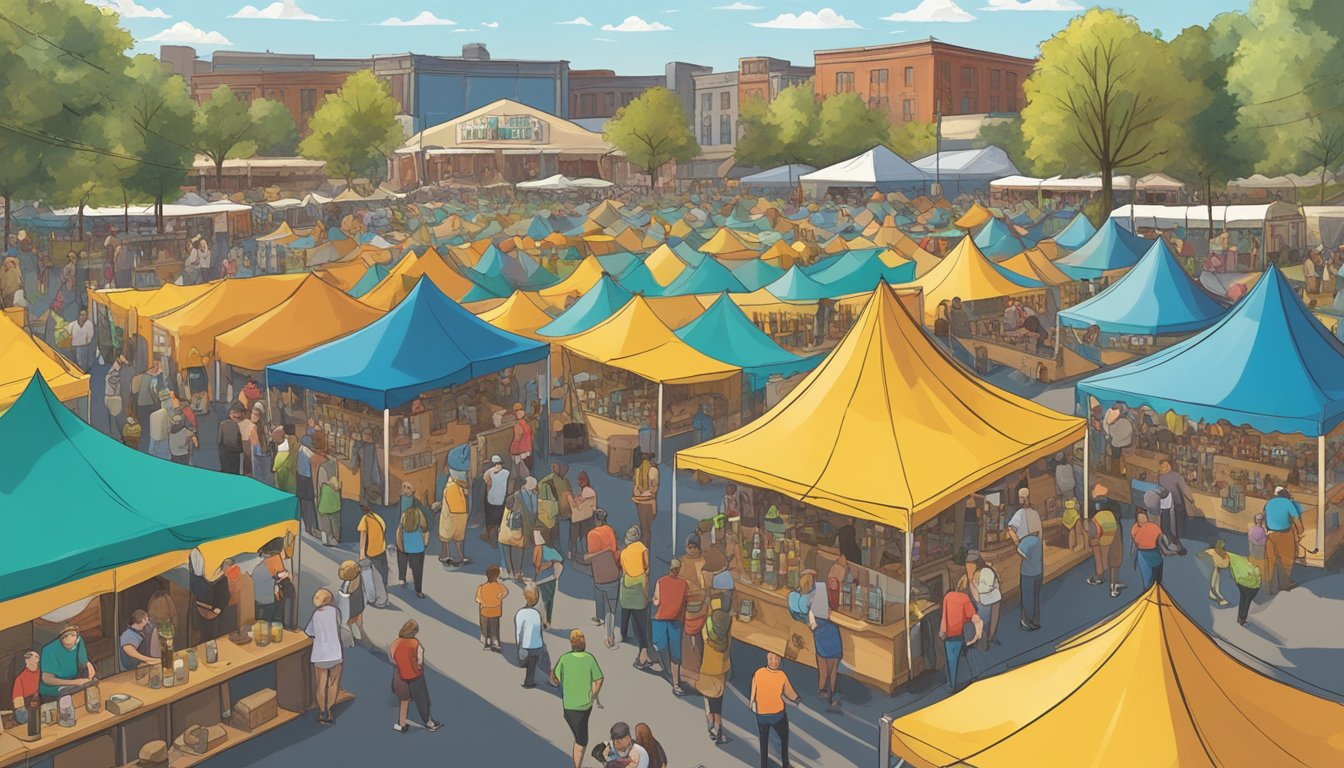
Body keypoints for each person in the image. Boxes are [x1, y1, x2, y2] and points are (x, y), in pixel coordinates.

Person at [550, 630, 604, 768]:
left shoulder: (564, 658)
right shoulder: (590, 658)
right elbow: (599, 679)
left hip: (568, 706)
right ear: (584, 642)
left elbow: (554, 679)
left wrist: (562, 682)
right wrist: (594, 694)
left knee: (580, 738)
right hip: (585, 706)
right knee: (581, 741)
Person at [750, 651, 801, 768]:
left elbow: (753, 692)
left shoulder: (758, 673)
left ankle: (764, 765)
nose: (774, 661)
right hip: (777, 714)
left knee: (763, 740)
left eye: (775, 659)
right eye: (773, 659)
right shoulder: (781, 675)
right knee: (784, 736)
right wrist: (797, 699)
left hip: (761, 714)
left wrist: (752, 704)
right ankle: (785, 763)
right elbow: (789, 692)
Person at [799, 570, 841, 707]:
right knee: (833, 665)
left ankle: (821, 688)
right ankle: (831, 694)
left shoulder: (805, 598)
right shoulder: (821, 589)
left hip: (818, 631)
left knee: (822, 663)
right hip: (830, 630)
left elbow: (809, 620)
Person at [390, 621, 441, 733]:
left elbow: (392, 659)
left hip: (400, 675)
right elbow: (420, 660)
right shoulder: (416, 643)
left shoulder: (395, 643)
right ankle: (429, 723)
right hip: (415, 676)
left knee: (404, 699)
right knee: (422, 699)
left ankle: (402, 723)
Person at [305, 589, 344, 725]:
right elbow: (339, 626)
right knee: (333, 683)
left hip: (320, 654)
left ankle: (322, 711)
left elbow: (309, 632)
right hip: (335, 653)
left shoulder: (315, 615)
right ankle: (330, 708)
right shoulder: (336, 612)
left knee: (321, 684)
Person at [650, 558, 688, 696]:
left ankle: (653, 657)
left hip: (661, 619)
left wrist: (654, 600)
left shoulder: (661, 582)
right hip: (676, 621)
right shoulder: (684, 584)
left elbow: (656, 602)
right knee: (676, 654)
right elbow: (685, 601)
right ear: (679, 569)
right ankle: (676, 684)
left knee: (659, 644)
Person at [618, 525, 654, 670]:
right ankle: (644, 650)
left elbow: (624, 570)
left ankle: (623, 633)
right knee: (641, 620)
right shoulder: (644, 549)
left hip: (627, 584)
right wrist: (646, 595)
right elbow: (647, 570)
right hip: (640, 584)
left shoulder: (624, 553)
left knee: (626, 611)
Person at [586, 508, 621, 649]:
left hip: (600, 574)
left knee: (600, 595)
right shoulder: (610, 530)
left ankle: (601, 622)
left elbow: (592, 555)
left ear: (596, 519)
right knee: (611, 606)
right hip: (613, 572)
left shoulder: (592, 534)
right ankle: (609, 633)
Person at [699, 598, 733, 745]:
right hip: (720, 670)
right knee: (718, 703)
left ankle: (710, 724)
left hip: (706, 668)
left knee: (708, 699)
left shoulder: (706, 631)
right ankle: (718, 731)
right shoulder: (725, 635)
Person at [940, 586, 983, 692]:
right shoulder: (965, 598)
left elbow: (944, 618)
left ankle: (952, 685)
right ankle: (975, 676)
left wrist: (942, 632)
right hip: (964, 634)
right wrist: (977, 634)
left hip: (952, 635)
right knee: (968, 654)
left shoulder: (948, 597)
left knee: (952, 661)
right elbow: (974, 617)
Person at [1088, 483, 1126, 598]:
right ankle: (1113, 585)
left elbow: (1088, 519)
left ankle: (1099, 575)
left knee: (1099, 555)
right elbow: (1119, 516)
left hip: (1096, 533)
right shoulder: (1114, 505)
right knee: (1114, 557)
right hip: (1113, 531)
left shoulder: (1090, 506)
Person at [1263, 486, 1302, 593]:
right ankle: (1284, 585)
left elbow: (1265, 518)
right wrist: (1300, 532)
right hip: (1284, 535)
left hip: (1270, 535)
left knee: (1270, 561)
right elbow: (1296, 520)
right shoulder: (1288, 503)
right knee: (1286, 560)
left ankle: (1268, 586)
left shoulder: (1269, 503)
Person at [39, 626, 97, 699]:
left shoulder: (79, 641)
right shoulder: (49, 650)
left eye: (72, 635)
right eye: (65, 636)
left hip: (74, 682)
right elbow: (47, 679)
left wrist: (89, 666)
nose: (69, 638)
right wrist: (76, 682)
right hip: (54, 690)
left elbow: (83, 660)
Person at [396, 483, 430, 598]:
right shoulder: (416, 511)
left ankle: (404, 579)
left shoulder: (409, 510)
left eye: (409, 488)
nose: (405, 490)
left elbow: (400, 530)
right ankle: (414, 587)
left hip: (406, 541)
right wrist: (425, 541)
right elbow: (424, 527)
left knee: (403, 556)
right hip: (416, 545)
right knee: (416, 568)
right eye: (404, 487)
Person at [1156, 458, 1194, 551]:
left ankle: (1174, 539)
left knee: (1172, 522)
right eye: (1162, 467)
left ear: (1169, 466)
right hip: (1172, 503)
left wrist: (1190, 498)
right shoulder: (1165, 476)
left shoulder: (1171, 476)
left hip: (1171, 504)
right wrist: (1191, 499)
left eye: (1164, 467)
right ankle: (1176, 540)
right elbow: (1184, 489)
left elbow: (1184, 488)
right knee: (1175, 523)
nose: (1163, 469)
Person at [515, 587, 549, 688]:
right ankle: (529, 681)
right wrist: (541, 643)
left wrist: (519, 644)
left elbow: (519, 632)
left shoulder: (520, 613)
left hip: (525, 644)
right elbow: (539, 630)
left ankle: (528, 680)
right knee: (533, 663)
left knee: (529, 661)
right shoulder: (536, 614)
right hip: (535, 644)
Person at [357, 503, 390, 608]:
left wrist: (362, 553)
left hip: (372, 552)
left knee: (376, 577)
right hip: (381, 549)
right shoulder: (378, 518)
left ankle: (381, 600)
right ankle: (383, 596)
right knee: (382, 573)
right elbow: (384, 529)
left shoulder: (365, 519)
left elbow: (363, 537)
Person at [968, 551, 1001, 649]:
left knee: (986, 623)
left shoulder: (986, 572)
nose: (968, 567)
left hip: (989, 601)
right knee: (986, 622)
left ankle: (985, 642)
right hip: (985, 601)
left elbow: (981, 592)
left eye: (970, 564)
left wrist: (971, 580)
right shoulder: (977, 572)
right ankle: (986, 640)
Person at [540, 461, 573, 556]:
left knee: (562, 531)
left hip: (565, 511)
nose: (565, 471)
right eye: (563, 469)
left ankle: (563, 549)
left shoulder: (565, 480)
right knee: (560, 531)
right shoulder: (553, 478)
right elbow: (541, 484)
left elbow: (570, 492)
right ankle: (562, 550)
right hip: (558, 510)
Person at [532, 529, 564, 624]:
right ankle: (547, 621)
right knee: (548, 601)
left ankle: (543, 620)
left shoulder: (534, 550)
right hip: (549, 578)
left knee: (542, 602)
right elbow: (560, 559)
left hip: (539, 580)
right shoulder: (547, 549)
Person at [437, 473, 471, 566]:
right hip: (452, 515)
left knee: (451, 538)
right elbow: (455, 506)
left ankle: (452, 556)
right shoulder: (452, 487)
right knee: (449, 537)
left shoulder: (458, 486)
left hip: (456, 515)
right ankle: (450, 556)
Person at [476, 565, 509, 652]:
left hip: (485, 611)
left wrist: (483, 603)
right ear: (496, 576)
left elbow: (478, 598)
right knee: (494, 628)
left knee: (486, 628)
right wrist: (500, 596)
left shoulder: (482, 587)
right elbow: (506, 592)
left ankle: (487, 643)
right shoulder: (499, 586)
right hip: (495, 611)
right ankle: (496, 643)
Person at [566, 470, 598, 560]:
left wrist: (569, 498)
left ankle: (572, 552)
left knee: (577, 535)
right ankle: (583, 552)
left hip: (584, 517)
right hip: (587, 516)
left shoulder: (587, 491)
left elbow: (577, 504)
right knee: (585, 535)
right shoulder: (588, 489)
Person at [337, 560, 369, 648]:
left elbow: (344, 603)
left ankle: (350, 642)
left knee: (347, 624)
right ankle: (358, 635)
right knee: (357, 622)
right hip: (359, 604)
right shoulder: (359, 577)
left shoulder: (347, 587)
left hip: (351, 608)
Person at [1228, 546, 1262, 626]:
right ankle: (1242, 618)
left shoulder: (1233, 559)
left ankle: (1240, 618)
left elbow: (1234, 573)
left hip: (1242, 582)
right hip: (1249, 584)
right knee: (1246, 600)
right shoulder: (1237, 559)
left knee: (1244, 598)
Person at [1132, 511, 1166, 591]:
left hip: (1143, 553)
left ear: (1139, 521)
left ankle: (1148, 590)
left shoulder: (1135, 529)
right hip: (1155, 553)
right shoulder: (1155, 527)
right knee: (1157, 572)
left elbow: (1136, 541)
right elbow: (1161, 537)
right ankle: (1158, 586)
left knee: (1146, 576)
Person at [632, 453, 659, 549]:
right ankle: (650, 548)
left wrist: (639, 495)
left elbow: (635, 488)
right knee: (651, 527)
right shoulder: (653, 470)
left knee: (644, 527)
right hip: (650, 502)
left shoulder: (638, 470)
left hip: (639, 502)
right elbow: (654, 487)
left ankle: (645, 547)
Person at [483, 454, 510, 545]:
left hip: (491, 498)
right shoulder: (506, 472)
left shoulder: (488, 472)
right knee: (500, 518)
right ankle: (500, 536)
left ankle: (491, 536)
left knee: (491, 518)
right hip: (501, 498)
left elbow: (488, 485)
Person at [315, 455, 342, 545]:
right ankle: (336, 538)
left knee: (324, 522)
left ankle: (326, 540)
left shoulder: (323, 468)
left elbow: (320, 484)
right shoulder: (338, 467)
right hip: (335, 501)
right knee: (335, 521)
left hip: (325, 501)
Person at [295, 436, 317, 536]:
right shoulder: (306, 450)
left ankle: (307, 526)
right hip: (307, 480)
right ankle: (310, 527)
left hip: (300, 479)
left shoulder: (300, 449)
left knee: (304, 504)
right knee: (308, 504)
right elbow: (314, 459)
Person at [1203, 539, 1233, 607]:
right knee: (1214, 584)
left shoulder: (1220, 553)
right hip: (1214, 568)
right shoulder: (1213, 552)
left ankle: (1214, 594)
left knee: (1216, 583)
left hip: (1217, 568)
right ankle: (1220, 599)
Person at [218, 404, 245, 474]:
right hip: (235, 455)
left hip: (224, 455)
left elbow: (219, 441)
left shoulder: (222, 424)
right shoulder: (239, 425)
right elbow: (241, 443)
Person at [511, 402, 534, 476]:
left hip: (521, 452)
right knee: (524, 473)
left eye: (520, 409)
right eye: (517, 410)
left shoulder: (519, 425)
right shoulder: (525, 424)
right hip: (522, 452)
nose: (519, 412)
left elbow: (518, 439)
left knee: (520, 474)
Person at [1248, 512, 1269, 579]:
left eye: (1261, 519)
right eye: (1259, 519)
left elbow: (1250, 541)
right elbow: (1264, 541)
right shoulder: (1262, 530)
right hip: (1261, 550)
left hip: (1253, 551)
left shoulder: (1251, 530)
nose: (1260, 521)